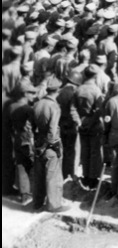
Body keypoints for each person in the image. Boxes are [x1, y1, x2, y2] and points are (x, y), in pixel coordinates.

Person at [32, 77, 69, 213]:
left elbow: (31, 126)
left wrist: (38, 145)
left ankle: (37, 203)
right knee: (53, 177)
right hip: (50, 147)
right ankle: (54, 205)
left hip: (38, 141)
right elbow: (52, 132)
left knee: (39, 176)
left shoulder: (37, 104)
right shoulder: (54, 107)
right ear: (58, 91)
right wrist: (48, 145)